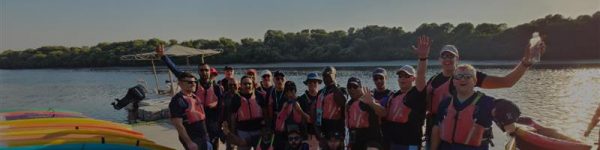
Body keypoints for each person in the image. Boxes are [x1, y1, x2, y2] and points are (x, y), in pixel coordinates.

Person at [424, 39, 546, 148]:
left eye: (451, 56)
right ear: (439, 59)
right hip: (438, 133)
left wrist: (525, 62)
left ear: (457, 59)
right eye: (444, 56)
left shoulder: (471, 74)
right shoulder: (433, 80)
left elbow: (506, 82)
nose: (447, 59)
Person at [156, 44, 223, 150]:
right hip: (197, 123)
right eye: (201, 70)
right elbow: (177, 71)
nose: (204, 72)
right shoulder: (193, 84)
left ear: (210, 71)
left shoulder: (217, 88)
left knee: (214, 147)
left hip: (212, 123)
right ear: (198, 72)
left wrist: (221, 125)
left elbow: (222, 107)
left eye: (206, 70)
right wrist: (164, 57)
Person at [431, 64, 496, 150]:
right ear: (454, 81)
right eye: (459, 76)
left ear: (475, 81)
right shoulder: (445, 103)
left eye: (468, 76)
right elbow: (437, 129)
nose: (463, 79)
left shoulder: (488, 103)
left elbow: (508, 122)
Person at [382, 35, 430, 150]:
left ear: (413, 79)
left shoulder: (416, 94)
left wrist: (422, 58)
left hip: (410, 144)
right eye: (400, 76)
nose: (402, 79)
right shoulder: (394, 95)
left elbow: (421, 76)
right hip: (393, 143)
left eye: (406, 76)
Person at [169, 72, 213, 150]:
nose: (193, 84)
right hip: (193, 138)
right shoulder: (177, 101)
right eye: (189, 82)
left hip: (203, 136)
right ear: (180, 83)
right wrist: (189, 142)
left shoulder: (194, 97)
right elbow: (178, 125)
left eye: (194, 82)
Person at [345, 77, 386, 150]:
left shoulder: (368, 100)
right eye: (349, 87)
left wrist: (371, 103)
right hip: (355, 142)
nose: (352, 89)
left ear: (360, 88)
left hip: (371, 142)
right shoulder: (349, 104)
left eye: (355, 86)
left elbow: (384, 113)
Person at [228, 75, 267, 150]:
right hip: (243, 131)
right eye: (245, 84)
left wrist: (266, 127)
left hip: (258, 130)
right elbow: (232, 117)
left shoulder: (259, 95)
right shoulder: (236, 98)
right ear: (241, 85)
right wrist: (233, 132)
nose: (247, 85)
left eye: (249, 83)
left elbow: (265, 113)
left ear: (252, 84)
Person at [314, 66, 348, 148]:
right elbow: (316, 115)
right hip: (324, 131)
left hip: (337, 130)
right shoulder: (321, 93)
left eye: (329, 75)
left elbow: (342, 102)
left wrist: (334, 84)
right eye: (324, 76)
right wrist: (319, 135)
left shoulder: (342, 90)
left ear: (335, 76)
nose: (326, 78)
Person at [274, 81, 311, 149]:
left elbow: (309, 119)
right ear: (285, 93)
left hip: (301, 136)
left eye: (292, 90)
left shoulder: (302, 100)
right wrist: (283, 109)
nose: (290, 93)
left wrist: (300, 110)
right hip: (287, 137)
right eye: (287, 91)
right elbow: (278, 124)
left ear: (295, 91)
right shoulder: (283, 102)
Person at [297, 72, 322, 148]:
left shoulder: (322, 97)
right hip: (306, 134)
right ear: (307, 84)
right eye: (310, 82)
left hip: (319, 134)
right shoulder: (301, 99)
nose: (312, 84)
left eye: (315, 82)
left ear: (318, 83)